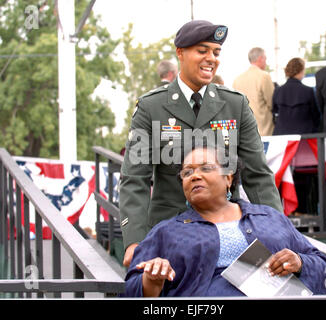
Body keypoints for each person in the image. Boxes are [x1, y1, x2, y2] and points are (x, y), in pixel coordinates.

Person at [119, 20, 283, 268]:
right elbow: (135, 178)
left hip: (229, 234)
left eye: (216, 52)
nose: (211, 58)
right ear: (180, 53)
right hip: (170, 236)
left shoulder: (235, 105)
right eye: (202, 51)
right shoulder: (151, 107)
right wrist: (135, 241)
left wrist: (278, 230)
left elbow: (258, 175)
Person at [125, 145, 326, 297]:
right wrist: (151, 280)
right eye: (187, 172)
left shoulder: (270, 217)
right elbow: (130, 290)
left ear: (229, 177)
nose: (194, 176)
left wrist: (300, 262)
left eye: (205, 168)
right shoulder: (167, 232)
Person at [233, 47, 275, 136]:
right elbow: (272, 102)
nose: (266, 62)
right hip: (264, 129)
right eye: (265, 59)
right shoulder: (264, 76)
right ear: (260, 59)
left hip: (245, 131)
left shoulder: (237, 80)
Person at [272, 57, 320, 135]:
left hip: (282, 137)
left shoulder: (278, 91)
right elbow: (316, 116)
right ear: (300, 70)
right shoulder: (308, 91)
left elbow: (275, 113)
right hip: (304, 136)